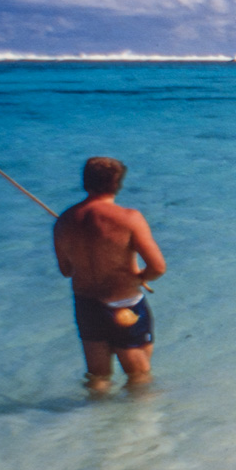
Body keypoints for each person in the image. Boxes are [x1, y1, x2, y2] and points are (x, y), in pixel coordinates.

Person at [53, 156, 166, 391]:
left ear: (85, 182)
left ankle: (94, 424)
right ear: (117, 184)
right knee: (139, 378)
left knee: (98, 379)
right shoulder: (129, 218)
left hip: (86, 304)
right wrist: (139, 277)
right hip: (124, 302)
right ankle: (142, 426)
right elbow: (158, 268)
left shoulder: (64, 220)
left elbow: (66, 270)